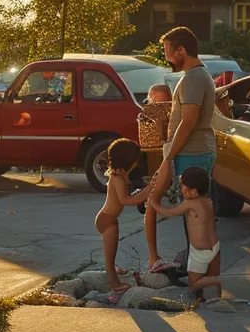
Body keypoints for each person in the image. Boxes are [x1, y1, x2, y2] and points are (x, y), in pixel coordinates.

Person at [144, 26, 216, 273]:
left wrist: (170, 157)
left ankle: (196, 270)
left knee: (194, 215)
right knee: (196, 213)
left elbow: (189, 121)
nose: (167, 58)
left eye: (168, 52)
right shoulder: (197, 76)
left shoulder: (194, 78)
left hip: (192, 153)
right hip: (194, 151)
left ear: (182, 50)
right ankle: (193, 263)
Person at [146, 166, 221, 301]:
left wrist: (153, 203)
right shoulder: (208, 201)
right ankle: (216, 296)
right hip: (215, 247)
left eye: (183, 187)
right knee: (213, 277)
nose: (181, 190)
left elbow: (170, 212)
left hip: (200, 251)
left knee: (194, 285)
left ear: (193, 192)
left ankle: (204, 292)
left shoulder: (190, 204)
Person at [94, 138, 154, 298]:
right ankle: (115, 285)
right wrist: (147, 191)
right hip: (107, 220)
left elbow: (127, 196)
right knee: (109, 257)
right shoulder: (118, 177)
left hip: (109, 219)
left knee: (111, 254)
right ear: (130, 160)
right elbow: (125, 200)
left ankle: (114, 273)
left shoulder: (121, 174)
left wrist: (142, 192)